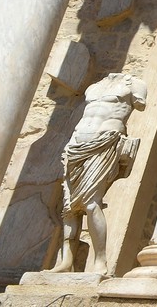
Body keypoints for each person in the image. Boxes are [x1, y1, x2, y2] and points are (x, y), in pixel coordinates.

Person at [52, 72, 146, 275]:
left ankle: (100, 262)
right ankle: (65, 261)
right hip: (76, 144)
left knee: (91, 202)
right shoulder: (95, 85)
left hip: (105, 142)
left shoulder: (135, 84)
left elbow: (140, 105)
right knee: (69, 208)